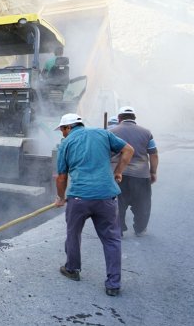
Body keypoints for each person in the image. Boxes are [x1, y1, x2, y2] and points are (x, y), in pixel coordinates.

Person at [53, 113, 134, 296]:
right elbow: (128, 150)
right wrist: (118, 171)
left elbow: (62, 177)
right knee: (112, 240)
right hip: (106, 196)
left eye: (62, 131)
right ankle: (113, 284)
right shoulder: (103, 133)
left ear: (68, 127)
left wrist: (60, 197)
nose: (62, 135)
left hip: (79, 197)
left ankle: (72, 269)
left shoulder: (66, 143)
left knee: (73, 234)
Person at [110, 106, 158, 237]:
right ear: (135, 118)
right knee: (143, 204)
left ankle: (118, 230)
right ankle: (140, 229)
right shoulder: (146, 132)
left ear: (119, 118)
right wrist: (153, 172)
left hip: (118, 174)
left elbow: (105, 153)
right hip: (141, 175)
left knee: (118, 204)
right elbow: (153, 154)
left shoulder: (111, 132)